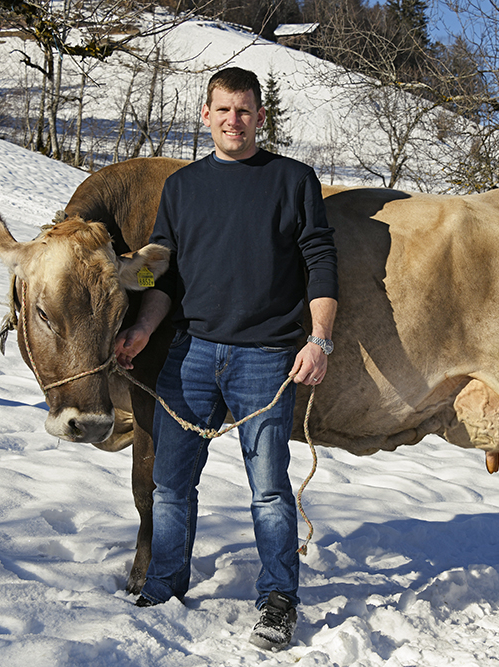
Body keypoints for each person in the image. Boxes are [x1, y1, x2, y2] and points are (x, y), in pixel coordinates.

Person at [112, 67, 338, 651]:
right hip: (190, 353)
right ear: (205, 116)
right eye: (223, 110)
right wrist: (139, 326)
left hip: (265, 357)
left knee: (268, 488)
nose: (233, 121)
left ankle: (278, 600)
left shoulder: (293, 180)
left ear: (261, 117)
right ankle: (164, 585)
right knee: (168, 484)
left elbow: (321, 261)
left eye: (244, 110)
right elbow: (163, 274)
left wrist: (319, 339)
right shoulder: (183, 188)